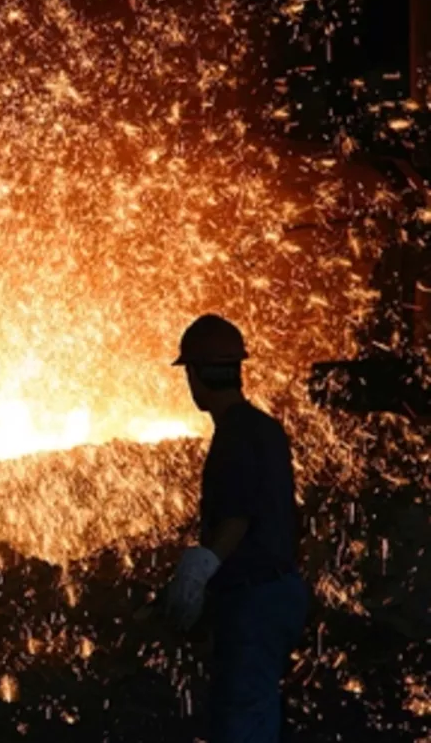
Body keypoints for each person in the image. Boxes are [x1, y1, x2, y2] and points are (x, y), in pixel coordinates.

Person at [164, 315, 307, 743]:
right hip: (276, 591)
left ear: (197, 374)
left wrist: (199, 568)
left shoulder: (237, 435)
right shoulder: (262, 428)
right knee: (255, 709)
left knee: (241, 720)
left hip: (255, 599)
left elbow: (238, 516)